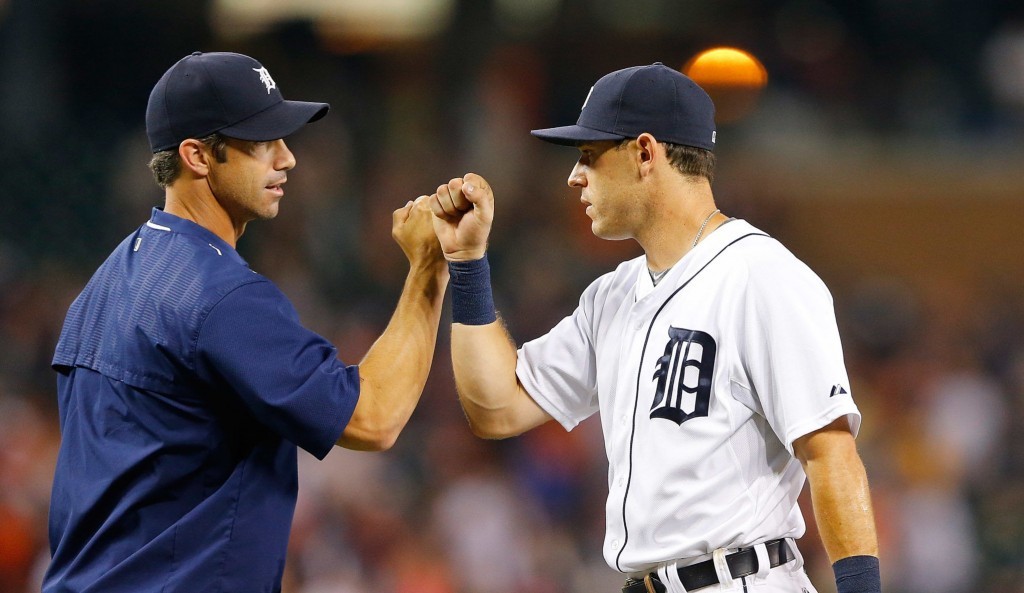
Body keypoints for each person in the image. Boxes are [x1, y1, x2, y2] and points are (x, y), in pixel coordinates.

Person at [427, 63, 881, 593]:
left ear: (645, 153)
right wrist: (467, 264)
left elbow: (831, 455)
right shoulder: (611, 296)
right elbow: (496, 407)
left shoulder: (762, 276)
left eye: (589, 155)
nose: (575, 176)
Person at [44, 51, 448, 593]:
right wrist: (428, 269)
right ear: (198, 156)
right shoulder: (220, 295)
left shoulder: (104, 284)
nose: (287, 159)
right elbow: (372, 419)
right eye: (261, 141)